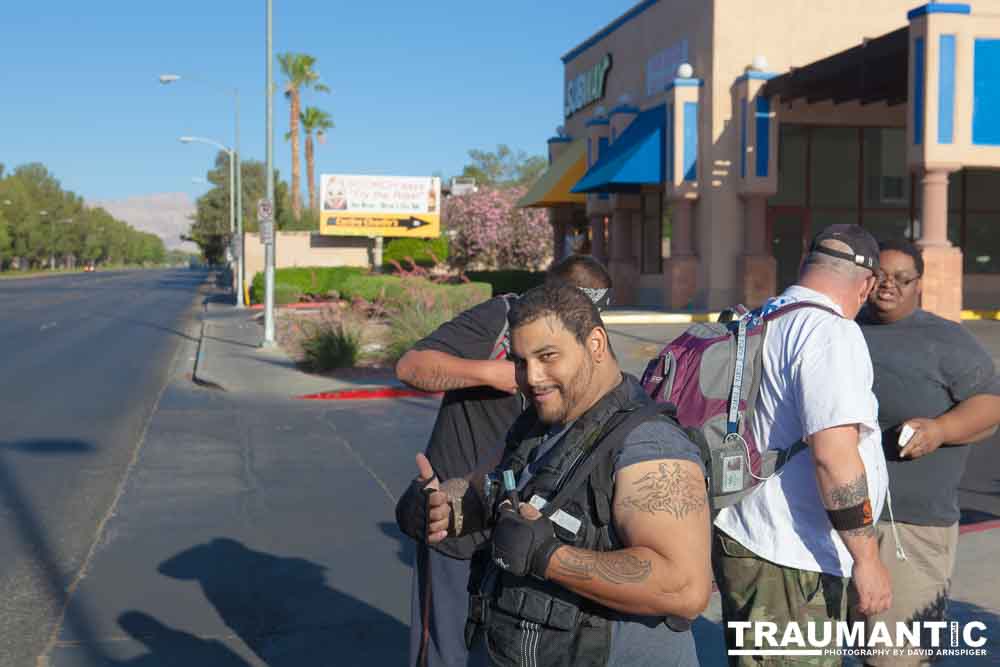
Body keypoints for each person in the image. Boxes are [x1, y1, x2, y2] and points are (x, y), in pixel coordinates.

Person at [417, 283, 712, 667]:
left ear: (595, 344)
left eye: (548, 356)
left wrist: (548, 557)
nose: (533, 377)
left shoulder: (651, 448)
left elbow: (685, 587)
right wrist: (446, 505)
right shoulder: (536, 424)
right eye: (522, 361)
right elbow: (481, 492)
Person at [395, 256, 613, 667]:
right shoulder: (500, 315)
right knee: (443, 650)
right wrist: (495, 373)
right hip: (455, 517)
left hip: (515, 528)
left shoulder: (583, 345)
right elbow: (410, 366)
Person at [713, 224, 893, 665]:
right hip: (789, 553)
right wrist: (866, 559)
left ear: (803, 265)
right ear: (867, 284)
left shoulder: (761, 317)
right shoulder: (828, 332)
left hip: (745, 532)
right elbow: (834, 456)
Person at [856, 239, 1000, 666]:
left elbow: (989, 405)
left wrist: (940, 429)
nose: (889, 286)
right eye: (881, 276)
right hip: (837, 521)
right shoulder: (841, 329)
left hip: (910, 528)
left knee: (895, 657)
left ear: (918, 284)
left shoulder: (946, 340)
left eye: (902, 279)